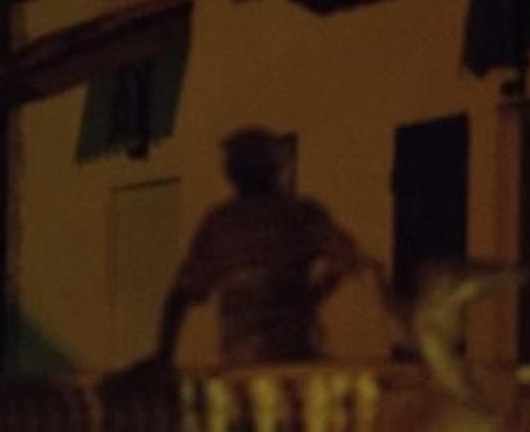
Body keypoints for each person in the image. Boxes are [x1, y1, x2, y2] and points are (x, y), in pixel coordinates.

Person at [145, 127, 377, 369]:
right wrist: (311, 298)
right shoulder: (300, 215)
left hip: (243, 359)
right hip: (292, 355)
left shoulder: (221, 224)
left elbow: (181, 294)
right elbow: (349, 258)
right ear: (275, 168)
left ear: (231, 172)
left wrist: (162, 356)